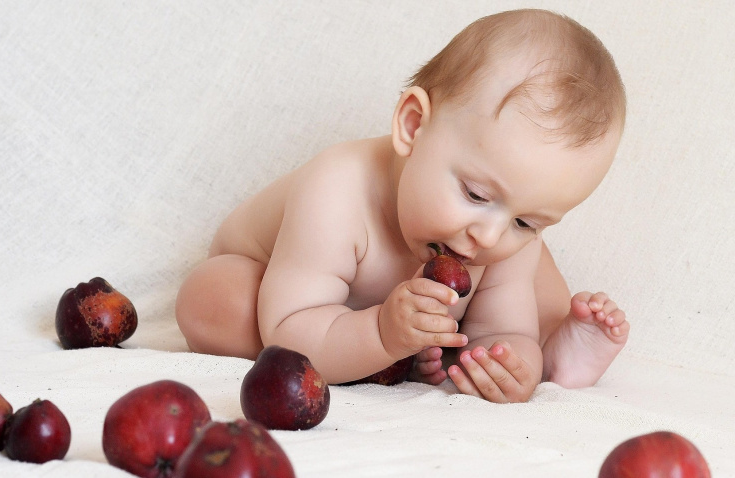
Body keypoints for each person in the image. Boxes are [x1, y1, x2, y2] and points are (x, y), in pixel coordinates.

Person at [175, 9, 629, 403]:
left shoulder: (494, 232)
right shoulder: (336, 189)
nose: (488, 235)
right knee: (216, 299)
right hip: (281, 292)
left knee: (533, 271)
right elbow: (287, 331)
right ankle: (377, 352)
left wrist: (510, 363)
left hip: (400, 320)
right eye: (474, 195)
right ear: (413, 127)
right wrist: (379, 334)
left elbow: (503, 331)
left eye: (527, 221)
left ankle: (558, 352)